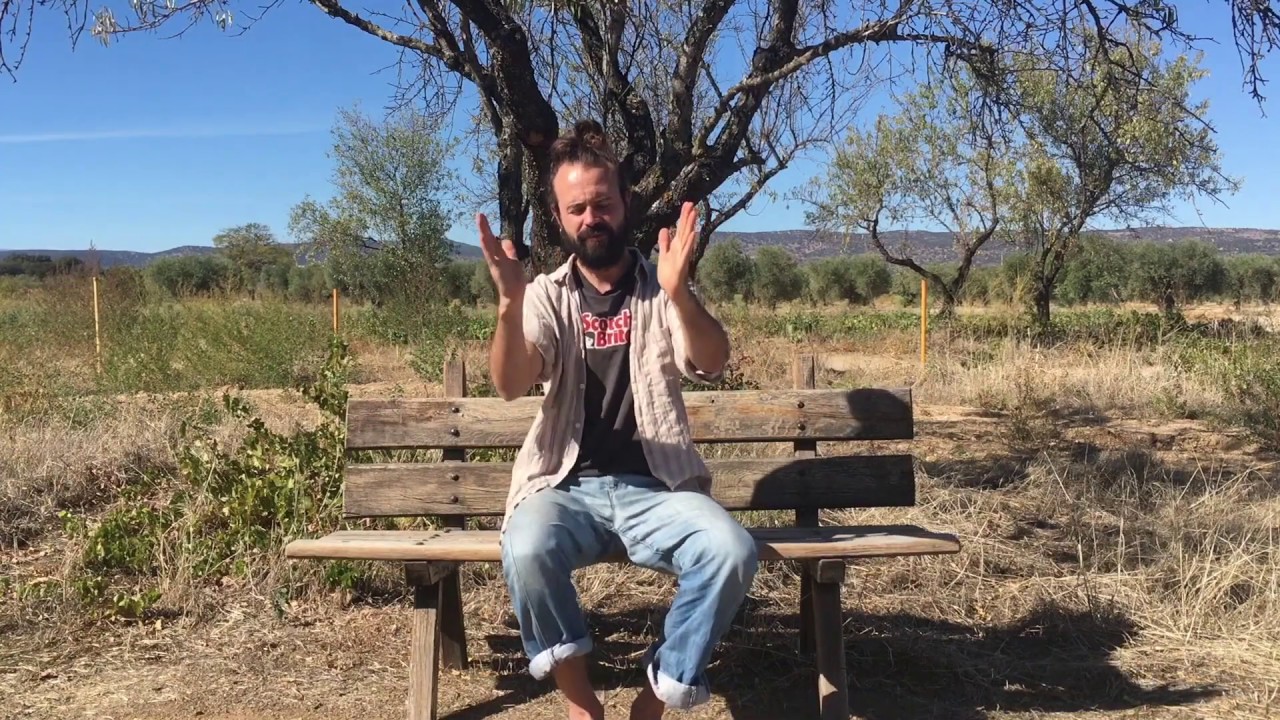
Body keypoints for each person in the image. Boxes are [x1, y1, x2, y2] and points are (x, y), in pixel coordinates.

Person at [476, 119, 759, 720]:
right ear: (559, 217)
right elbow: (509, 383)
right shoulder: (548, 296)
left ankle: (654, 699)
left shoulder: (661, 289)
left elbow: (710, 361)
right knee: (525, 547)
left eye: (602, 203)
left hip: (656, 489)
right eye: (576, 208)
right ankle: (583, 705)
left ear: (625, 202)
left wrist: (681, 294)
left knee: (731, 550)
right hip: (564, 488)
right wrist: (508, 306)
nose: (591, 217)